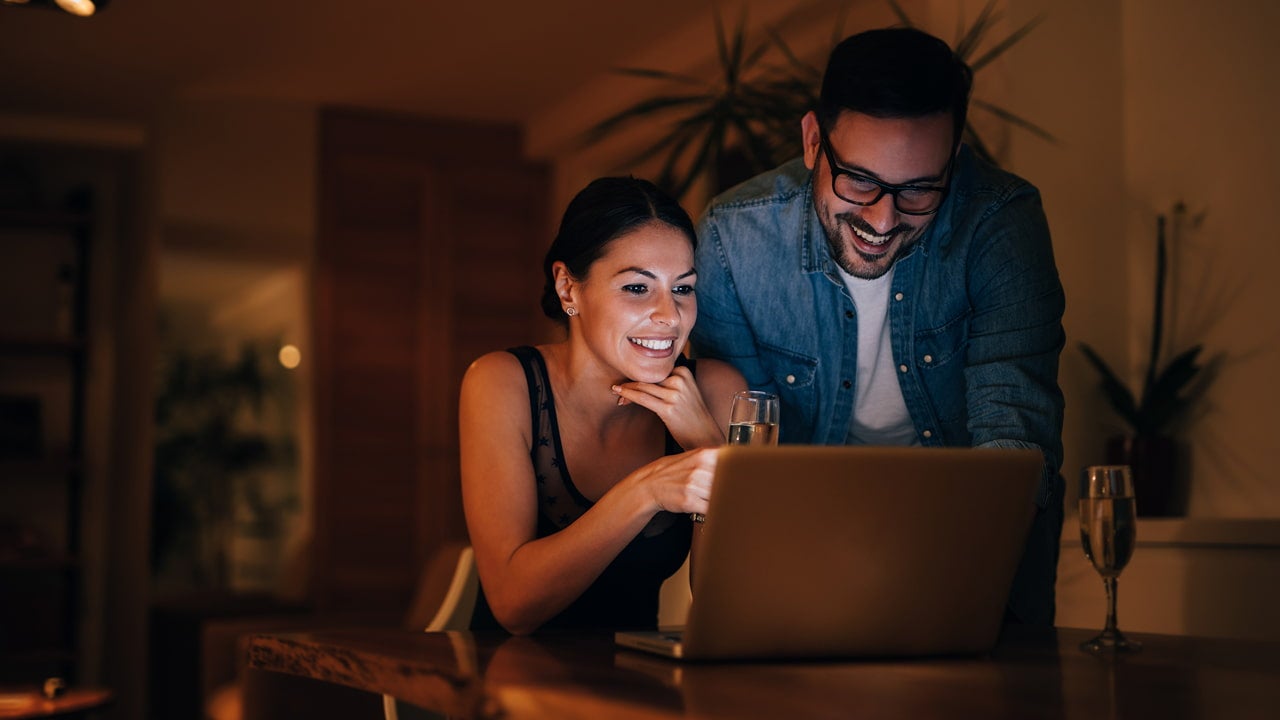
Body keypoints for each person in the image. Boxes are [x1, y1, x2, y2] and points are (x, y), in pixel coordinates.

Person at [689, 27, 1066, 626]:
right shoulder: (734, 240)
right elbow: (748, 459)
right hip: (801, 548)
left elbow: (1014, 439)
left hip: (973, 555)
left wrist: (944, 590)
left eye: (919, 189)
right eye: (859, 180)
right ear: (814, 141)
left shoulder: (1001, 223)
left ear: (955, 153)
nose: (882, 218)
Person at [460, 176, 746, 635]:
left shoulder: (718, 391)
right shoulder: (502, 382)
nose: (670, 316)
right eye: (637, 288)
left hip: (640, 688)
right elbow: (514, 605)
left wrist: (708, 448)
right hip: (506, 684)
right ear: (568, 288)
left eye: (683, 288)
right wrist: (645, 491)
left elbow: (734, 606)